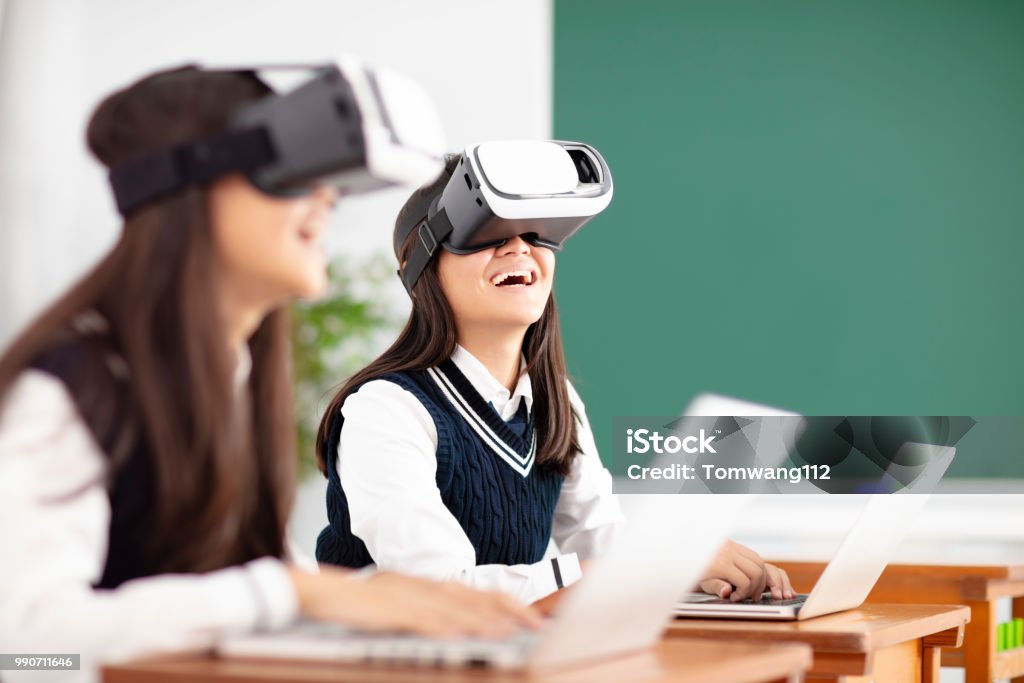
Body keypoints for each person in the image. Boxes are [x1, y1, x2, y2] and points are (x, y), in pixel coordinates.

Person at [0, 67, 538, 682]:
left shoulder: (235, 375)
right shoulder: (69, 390)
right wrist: (292, 593)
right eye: (289, 175)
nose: (326, 199)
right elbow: (20, 648)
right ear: (185, 189)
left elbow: (228, 606)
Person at [315, 154, 796, 606]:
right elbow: (441, 593)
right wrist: (645, 566)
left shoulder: (555, 401)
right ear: (421, 268)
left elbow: (600, 536)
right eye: (484, 232)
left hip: (508, 660)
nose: (518, 247)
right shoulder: (386, 410)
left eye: (534, 232)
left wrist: (692, 565)